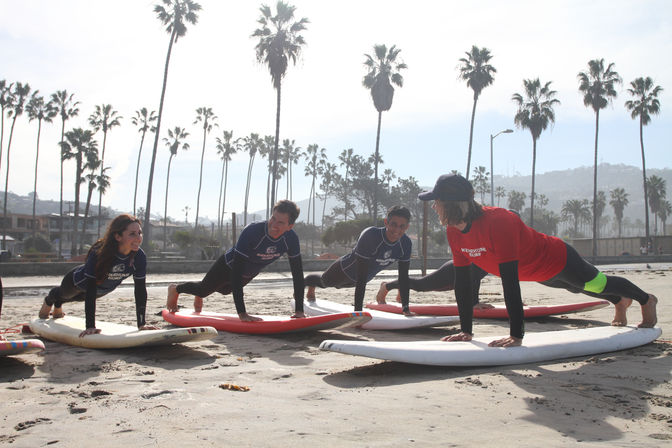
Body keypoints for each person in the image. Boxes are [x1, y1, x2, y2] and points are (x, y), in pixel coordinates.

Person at [418, 173, 658, 348]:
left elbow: (509, 283)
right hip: (536, 273)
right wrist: (466, 331)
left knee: (595, 284)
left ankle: (646, 300)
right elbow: (462, 283)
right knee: (576, 289)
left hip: (556, 259)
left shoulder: (498, 222)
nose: (435, 206)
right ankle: (620, 301)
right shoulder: (454, 232)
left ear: (451, 204)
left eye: (437, 201)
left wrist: (517, 335)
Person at [166, 200, 305, 322]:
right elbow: (237, 271)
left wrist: (299, 310)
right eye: (273, 218)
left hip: (249, 273)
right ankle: (176, 289)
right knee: (203, 290)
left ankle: (200, 291)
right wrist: (242, 313)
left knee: (225, 291)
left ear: (290, 226)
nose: (273, 225)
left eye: (280, 222)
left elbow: (297, 274)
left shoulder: (291, 239)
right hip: (228, 266)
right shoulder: (252, 231)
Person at [38, 214, 158, 337]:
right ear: (118, 236)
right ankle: (50, 300)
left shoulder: (139, 256)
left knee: (75, 299)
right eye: (132, 234)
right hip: (77, 282)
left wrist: (141, 324)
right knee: (64, 295)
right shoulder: (100, 251)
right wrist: (90, 326)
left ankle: (59, 304)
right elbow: (90, 287)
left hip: (102, 290)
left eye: (140, 233)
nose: (138, 238)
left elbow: (140, 290)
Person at [305, 205, 413, 314]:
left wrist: (406, 309)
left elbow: (403, 278)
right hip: (344, 270)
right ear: (386, 222)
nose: (397, 230)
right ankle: (307, 283)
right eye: (393, 224)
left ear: (407, 227)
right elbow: (361, 277)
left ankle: (311, 285)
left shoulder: (405, 244)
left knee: (340, 286)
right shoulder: (371, 236)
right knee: (324, 283)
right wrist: (358, 313)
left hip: (364, 278)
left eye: (402, 226)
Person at [376, 261, 492, 310]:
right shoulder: (489, 253)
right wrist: (475, 303)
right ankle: (386, 286)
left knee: (420, 284)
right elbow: (474, 276)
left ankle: (401, 287)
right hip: (453, 271)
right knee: (421, 285)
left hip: (460, 273)